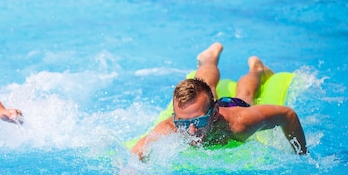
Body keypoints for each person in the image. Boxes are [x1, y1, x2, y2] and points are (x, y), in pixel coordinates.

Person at [131, 42, 307, 160]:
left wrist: (301, 155)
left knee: (245, 95)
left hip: (233, 108)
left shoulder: (240, 123)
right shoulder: (172, 127)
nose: (191, 130)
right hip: (205, 105)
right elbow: (136, 153)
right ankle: (210, 58)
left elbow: (288, 115)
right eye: (183, 122)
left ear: (214, 114)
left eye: (198, 121)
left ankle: (256, 69)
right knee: (205, 85)